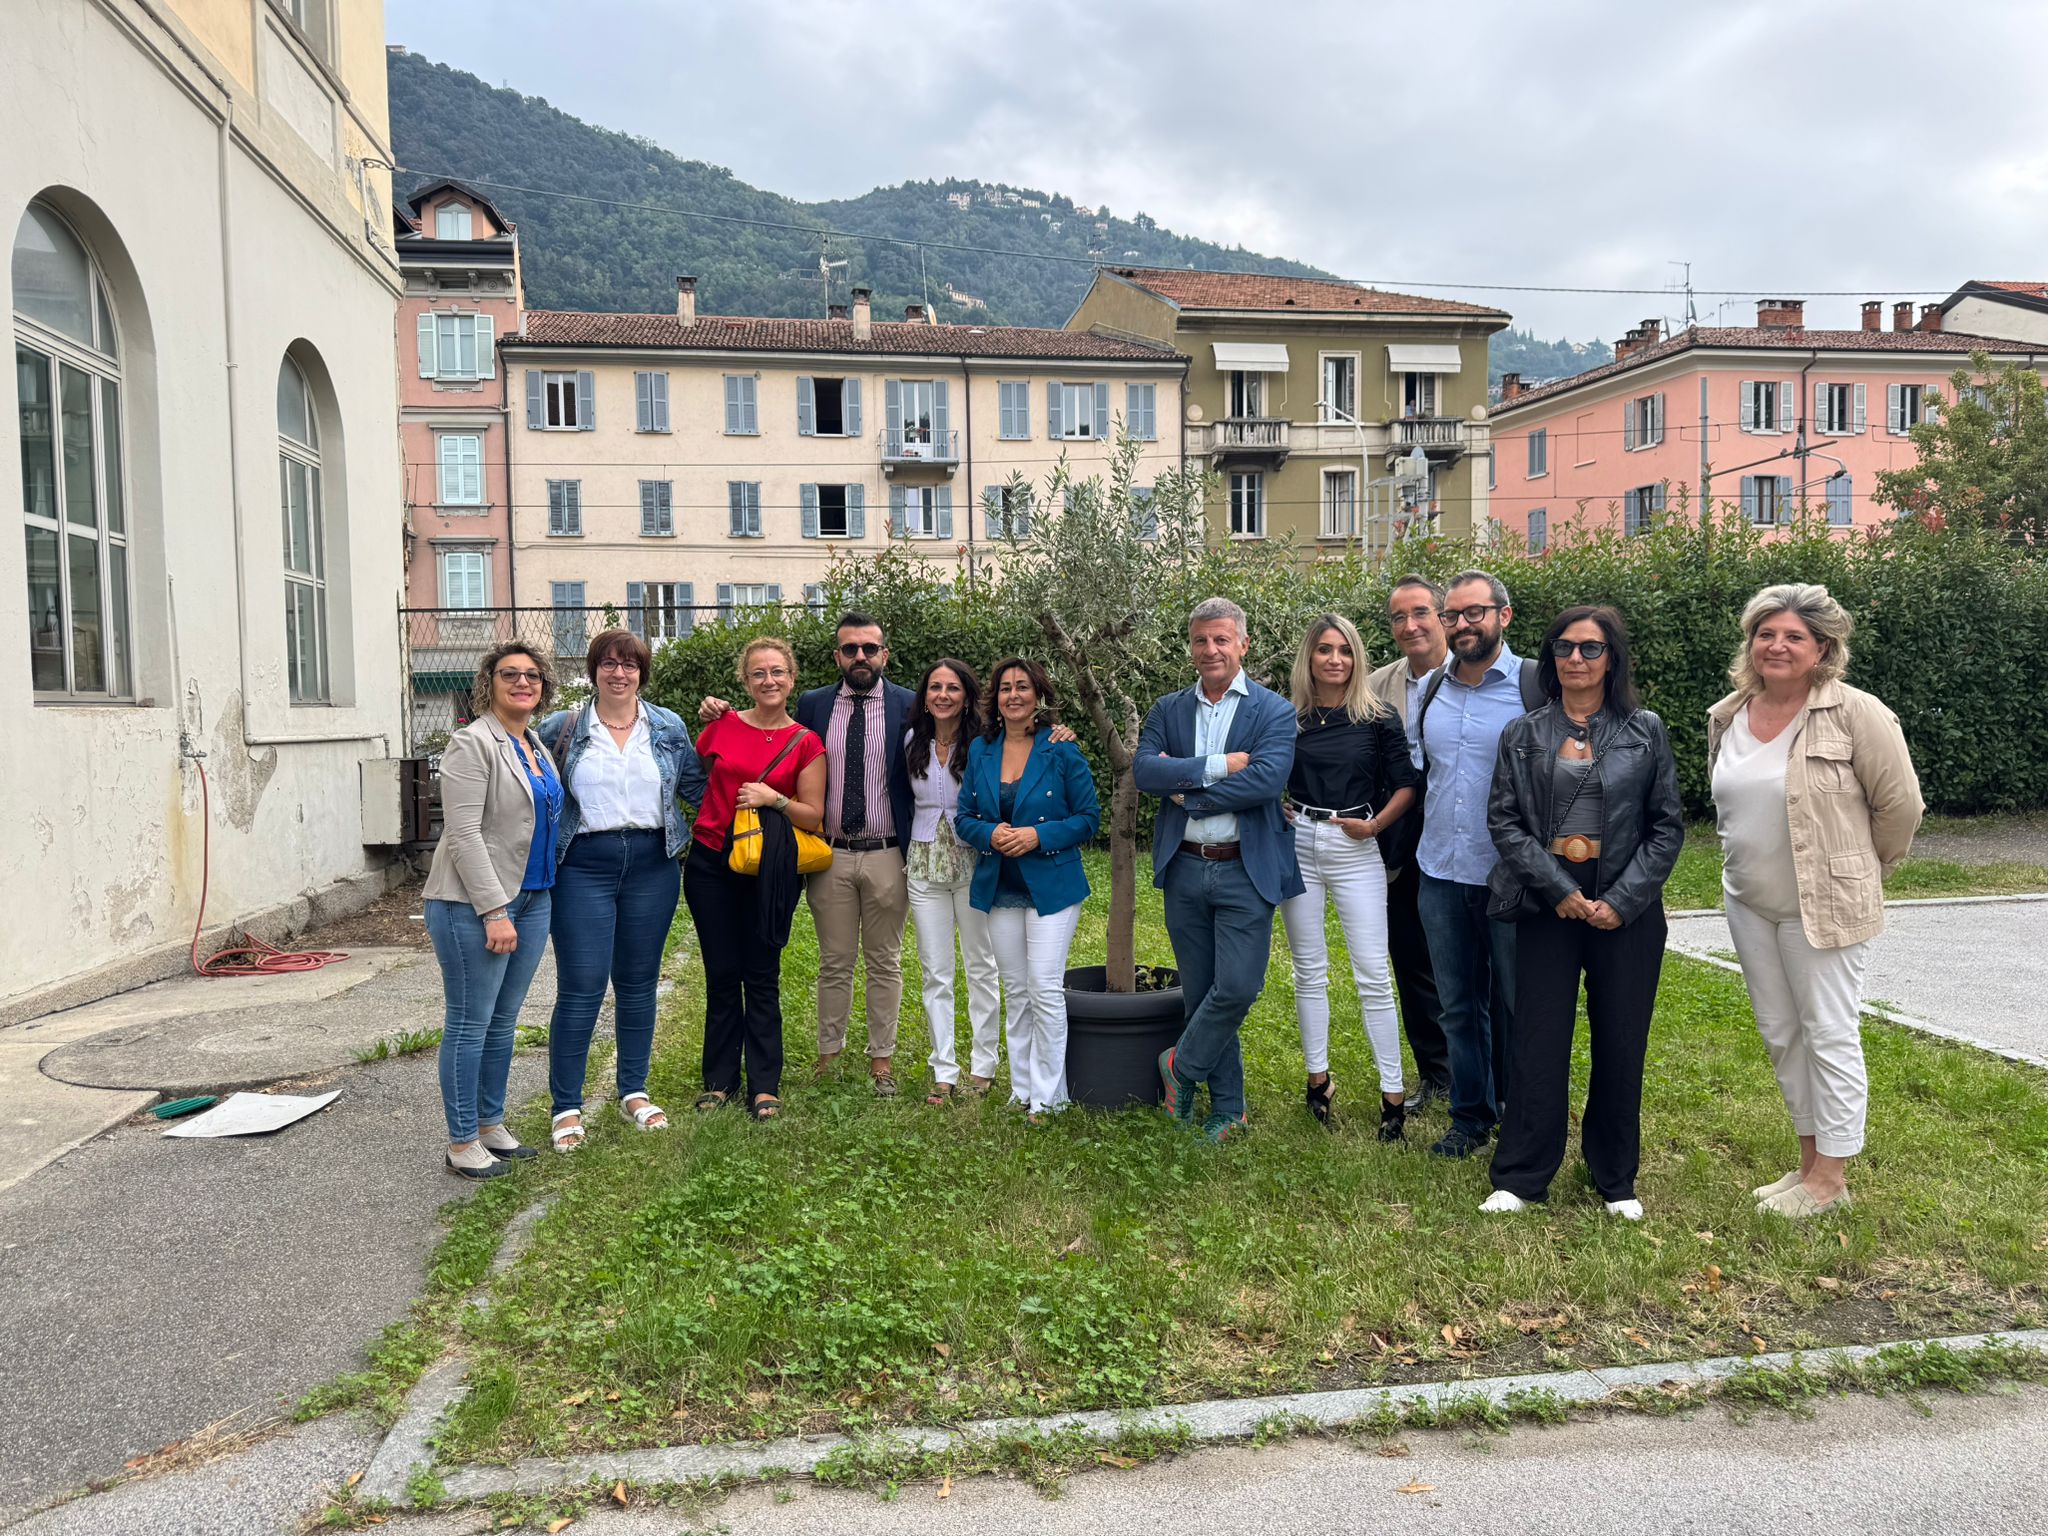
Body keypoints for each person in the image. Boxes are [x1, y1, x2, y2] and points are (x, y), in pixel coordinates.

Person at [1708, 584, 1922, 1218]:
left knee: (1828, 1032)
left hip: (1822, 905)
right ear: (1751, 642)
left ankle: (1831, 1179)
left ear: (1823, 648)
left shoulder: (1857, 713)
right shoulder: (1730, 713)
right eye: (1765, 633)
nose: (1777, 646)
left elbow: (1900, 807)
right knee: (1782, 1033)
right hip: (1749, 901)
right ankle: (1807, 1164)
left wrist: (1857, 867)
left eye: (1794, 636)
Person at [1480, 607, 1684, 1220]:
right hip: (1550, 910)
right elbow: (1505, 822)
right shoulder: (1522, 734)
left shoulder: (1645, 730)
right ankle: (1520, 1177)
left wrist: (1621, 902)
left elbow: (1667, 825)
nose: (1576, 659)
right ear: (1550, 660)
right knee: (1537, 1040)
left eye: (1590, 649)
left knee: (1622, 1042)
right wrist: (1558, 890)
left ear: (1611, 659)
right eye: (1564, 648)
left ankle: (1615, 1179)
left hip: (1627, 914)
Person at [702, 612, 915, 1095]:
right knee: (833, 960)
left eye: (869, 648)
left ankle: (882, 1061)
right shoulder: (814, 705)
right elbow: (764, 736)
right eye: (849, 649)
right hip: (828, 852)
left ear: (884, 654)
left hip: (887, 850)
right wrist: (717, 711)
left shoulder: (911, 705)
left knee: (886, 960)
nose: (860, 656)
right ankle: (828, 1056)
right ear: (836, 656)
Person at [1136, 597, 1302, 1143]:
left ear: (1243, 645)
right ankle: (1228, 1108)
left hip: (1243, 868)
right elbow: (1145, 773)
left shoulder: (1273, 711)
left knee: (1237, 986)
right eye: (1202, 641)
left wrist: (1191, 794)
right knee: (1202, 988)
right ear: (1192, 647)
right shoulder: (1167, 709)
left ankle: (1179, 1068)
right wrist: (1216, 768)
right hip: (1184, 868)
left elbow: (1266, 782)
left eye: (1222, 640)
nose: (1211, 650)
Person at [535, 629, 707, 1153]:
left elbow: (698, 788)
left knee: (637, 982)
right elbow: (536, 795)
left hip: (653, 864)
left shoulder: (668, 727)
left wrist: (730, 731)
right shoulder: (561, 728)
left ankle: (632, 1089)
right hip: (583, 865)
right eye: (608, 663)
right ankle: (567, 1105)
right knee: (582, 985)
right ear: (593, 671)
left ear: (642, 672)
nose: (619, 673)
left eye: (630, 665)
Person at [1412, 569, 1545, 1160]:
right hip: (1440, 870)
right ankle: (1470, 1117)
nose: (1462, 625)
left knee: (1520, 1002)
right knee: (1458, 1005)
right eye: (1453, 615)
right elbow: (1425, 774)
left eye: (1475, 613)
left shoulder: (1534, 688)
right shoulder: (1430, 689)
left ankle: (1524, 1117)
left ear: (1503, 616)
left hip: (1511, 876)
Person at [420, 643, 563, 1179]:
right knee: (469, 1022)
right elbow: (462, 834)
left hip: (534, 897)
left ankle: (489, 1124)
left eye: (532, 675)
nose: (523, 683)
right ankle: (461, 1141)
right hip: (474, 905)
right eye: (511, 674)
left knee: (502, 1022)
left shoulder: (533, 744)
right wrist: (493, 910)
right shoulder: (471, 742)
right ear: (490, 682)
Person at [1278, 614, 1419, 1138]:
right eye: (1324, 650)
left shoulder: (1377, 715)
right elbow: (1262, 772)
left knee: (1373, 974)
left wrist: (1376, 825)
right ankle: (1319, 1081)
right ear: (1309, 658)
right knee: (1308, 970)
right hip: (1299, 843)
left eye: (1345, 650)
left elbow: (1406, 784)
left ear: (1357, 657)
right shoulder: (1286, 716)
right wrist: (1276, 807)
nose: (1335, 659)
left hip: (1356, 845)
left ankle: (1393, 1095)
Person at [686, 636, 828, 1121]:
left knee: (762, 975)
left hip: (770, 869)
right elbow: (702, 780)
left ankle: (764, 1083)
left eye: (777, 672)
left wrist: (774, 799)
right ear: (745, 682)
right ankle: (720, 1079)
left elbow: (812, 816)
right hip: (711, 860)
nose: (769, 681)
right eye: (758, 674)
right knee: (722, 974)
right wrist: (709, 713)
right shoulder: (721, 727)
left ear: (792, 678)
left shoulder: (807, 742)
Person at [953, 658, 1101, 1121]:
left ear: (1038, 695)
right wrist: (989, 834)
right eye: (1004, 689)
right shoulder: (980, 749)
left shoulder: (1061, 749)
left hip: (1051, 887)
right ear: (994, 699)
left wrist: (1038, 836)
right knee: (1015, 991)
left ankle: (1050, 1096)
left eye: (1022, 687)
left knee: (1043, 988)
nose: (1013, 695)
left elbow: (1088, 818)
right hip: (999, 886)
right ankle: (1022, 1090)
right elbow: (964, 818)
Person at [1366, 575, 1454, 1111]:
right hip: (1399, 828)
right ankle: (1437, 1073)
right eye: (1398, 617)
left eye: (1420, 612)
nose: (1409, 625)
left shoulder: (1477, 677)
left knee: (1473, 954)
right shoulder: (1378, 684)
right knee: (1411, 953)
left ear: (1443, 618)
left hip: (1461, 824)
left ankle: (1489, 1070)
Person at [903, 658, 1002, 1103]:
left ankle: (983, 1066)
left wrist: (1063, 731)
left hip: (973, 862)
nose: (943, 695)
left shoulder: (985, 743)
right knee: (935, 972)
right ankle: (944, 1068)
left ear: (967, 696)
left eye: (953, 688)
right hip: (923, 864)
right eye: (935, 687)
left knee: (981, 967)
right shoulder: (910, 740)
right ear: (925, 696)